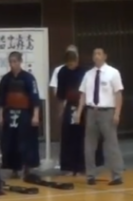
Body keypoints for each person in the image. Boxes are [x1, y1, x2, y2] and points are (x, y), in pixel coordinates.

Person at [76, 47, 125, 185]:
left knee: (111, 144)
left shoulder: (113, 73)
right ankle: (90, 175)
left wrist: (117, 113)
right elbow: (83, 94)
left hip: (107, 111)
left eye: (99, 54)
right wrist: (79, 112)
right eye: (94, 54)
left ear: (105, 56)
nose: (96, 56)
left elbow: (118, 94)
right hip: (91, 111)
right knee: (89, 145)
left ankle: (117, 175)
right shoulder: (88, 74)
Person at [0, 51, 41, 178]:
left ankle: (27, 167)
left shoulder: (29, 78)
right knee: (10, 141)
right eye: (11, 62)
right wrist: (0, 116)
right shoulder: (5, 79)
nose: (13, 64)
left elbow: (35, 97)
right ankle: (14, 169)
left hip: (25, 113)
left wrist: (35, 115)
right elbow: (1, 100)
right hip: (10, 113)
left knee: (26, 141)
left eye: (15, 61)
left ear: (20, 62)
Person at [53, 49, 89, 175]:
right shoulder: (62, 72)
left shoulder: (83, 72)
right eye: (69, 63)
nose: (71, 65)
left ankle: (81, 167)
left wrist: (80, 109)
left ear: (77, 61)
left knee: (81, 136)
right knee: (68, 136)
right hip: (69, 105)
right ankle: (68, 167)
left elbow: (85, 92)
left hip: (82, 106)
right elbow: (61, 94)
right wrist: (61, 111)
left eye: (73, 63)